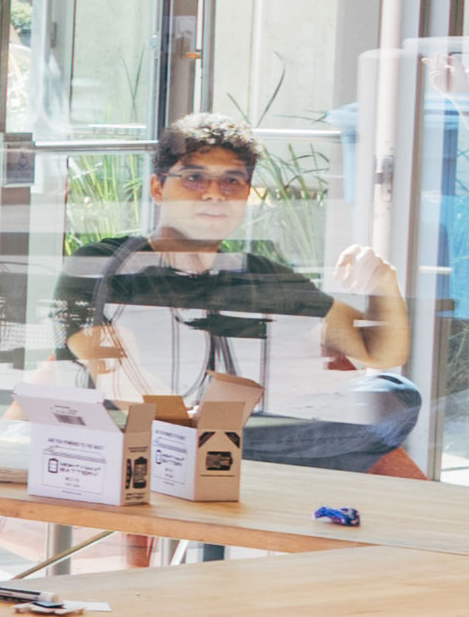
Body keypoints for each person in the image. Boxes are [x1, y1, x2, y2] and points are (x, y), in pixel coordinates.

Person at [56, 115, 426, 477]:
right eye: (194, 178)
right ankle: (242, 455)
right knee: (350, 442)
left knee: (394, 393)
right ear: (157, 188)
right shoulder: (105, 264)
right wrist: (186, 425)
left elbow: (380, 351)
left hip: (241, 438)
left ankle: (239, 455)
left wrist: (384, 283)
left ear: (247, 194)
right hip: (149, 446)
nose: (214, 193)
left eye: (231, 181)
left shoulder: (262, 276)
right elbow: (111, 369)